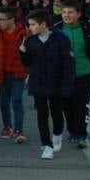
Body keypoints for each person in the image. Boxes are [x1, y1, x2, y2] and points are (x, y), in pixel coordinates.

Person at [19, 9, 74, 160]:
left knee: (56, 112)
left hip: (56, 82)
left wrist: (67, 85)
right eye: (29, 24)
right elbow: (28, 62)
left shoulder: (60, 39)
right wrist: (23, 52)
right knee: (42, 114)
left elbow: (68, 63)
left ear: (43, 24)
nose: (30, 28)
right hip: (38, 82)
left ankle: (57, 133)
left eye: (33, 24)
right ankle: (46, 145)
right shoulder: (30, 40)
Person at [53, 0, 90, 149]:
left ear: (78, 14)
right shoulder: (56, 29)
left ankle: (82, 135)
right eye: (64, 12)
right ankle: (73, 131)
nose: (66, 16)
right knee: (67, 107)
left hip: (84, 73)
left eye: (70, 12)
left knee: (82, 106)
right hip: (63, 76)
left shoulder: (89, 29)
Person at [0, 7, 28, 142]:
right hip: (1, 72)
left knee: (17, 100)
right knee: (4, 102)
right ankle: (7, 126)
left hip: (17, 73)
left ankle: (18, 129)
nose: (0, 22)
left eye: (3, 20)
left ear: (12, 20)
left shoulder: (23, 34)